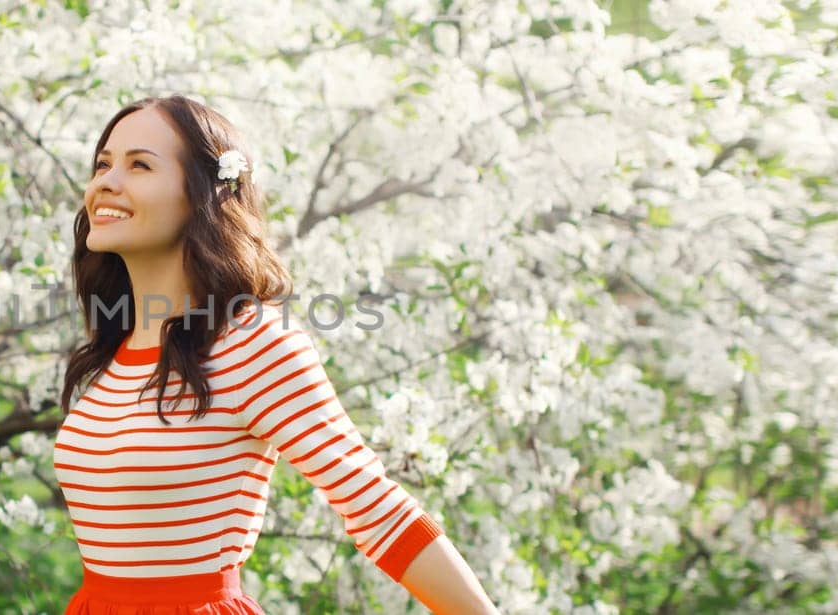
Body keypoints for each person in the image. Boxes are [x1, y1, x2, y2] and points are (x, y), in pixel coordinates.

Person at [52, 94, 501, 614]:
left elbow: (376, 507)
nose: (107, 181)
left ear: (202, 194)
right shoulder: (117, 347)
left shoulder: (253, 342)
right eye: (103, 163)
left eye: (140, 165)